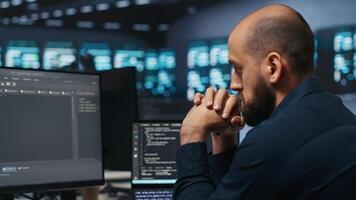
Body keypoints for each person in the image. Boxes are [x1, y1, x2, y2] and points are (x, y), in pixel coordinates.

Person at [174, 4, 356, 200]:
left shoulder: (273, 140)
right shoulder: (339, 115)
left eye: (238, 68)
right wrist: (224, 139)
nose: (233, 84)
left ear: (273, 67)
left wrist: (192, 134)